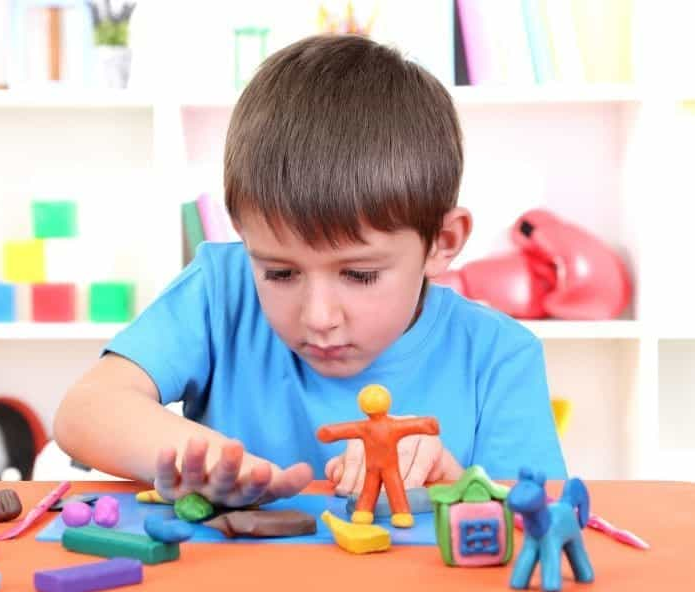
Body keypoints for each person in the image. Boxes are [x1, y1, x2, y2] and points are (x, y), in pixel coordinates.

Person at [54, 33, 566, 510]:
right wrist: (211, 459)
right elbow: (86, 411)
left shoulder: (499, 356)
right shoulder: (221, 292)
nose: (318, 317)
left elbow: (535, 526)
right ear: (245, 234)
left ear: (443, 242)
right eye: (280, 272)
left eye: (359, 275)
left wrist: (454, 486)